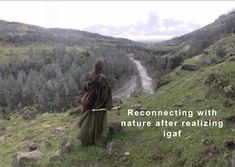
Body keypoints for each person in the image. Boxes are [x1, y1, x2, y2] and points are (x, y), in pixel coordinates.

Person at [77, 58, 112, 146]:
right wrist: (108, 104)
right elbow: (107, 92)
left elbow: (85, 88)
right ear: (101, 68)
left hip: (89, 103)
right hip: (98, 104)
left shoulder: (89, 75)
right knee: (97, 123)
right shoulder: (102, 79)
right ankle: (96, 139)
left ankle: (86, 139)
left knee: (88, 121)